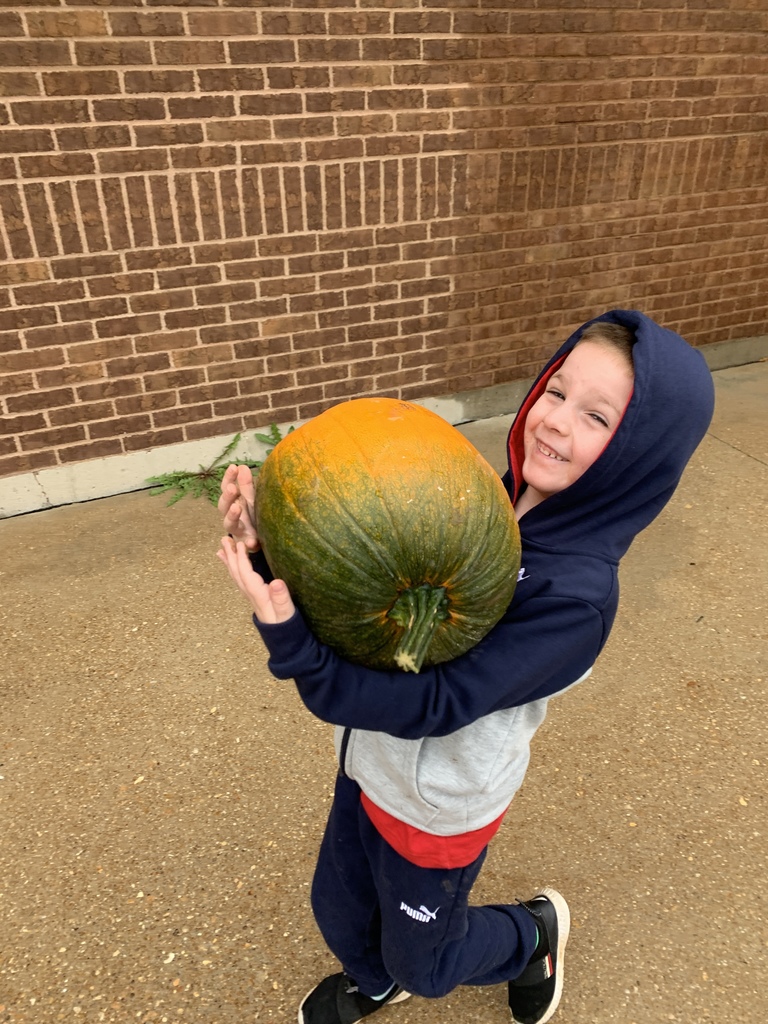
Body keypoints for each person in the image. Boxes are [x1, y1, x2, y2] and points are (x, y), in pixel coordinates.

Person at [216, 309, 715, 1024]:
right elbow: (360, 596)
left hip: (440, 809)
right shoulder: (473, 496)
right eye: (555, 391)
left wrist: (291, 644)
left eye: (597, 417)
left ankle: (529, 937)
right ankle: (374, 976)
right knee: (339, 906)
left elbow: (438, 699)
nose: (554, 422)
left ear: (639, 454)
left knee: (430, 962)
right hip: (370, 761)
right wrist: (275, 550)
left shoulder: (576, 599)